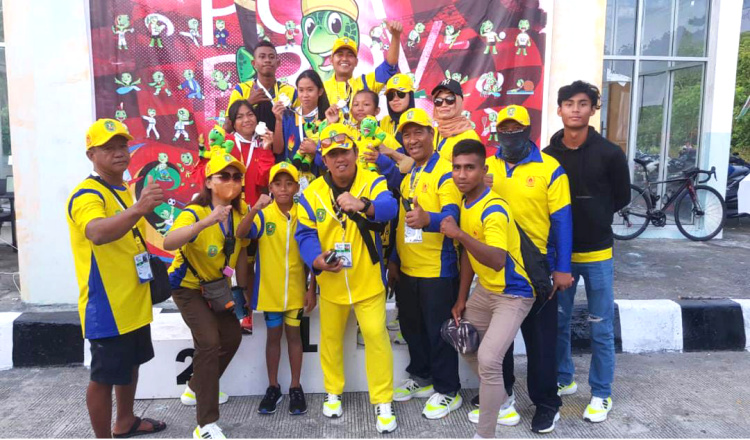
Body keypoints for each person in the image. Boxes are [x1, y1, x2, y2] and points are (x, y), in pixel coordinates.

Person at [295, 123, 399, 433]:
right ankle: (333, 392)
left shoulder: (373, 180)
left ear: (355, 152)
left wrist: (363, 204)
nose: (340, 159)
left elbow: (389, 207)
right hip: (332, 282)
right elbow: (305, 234)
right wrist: (316, 260)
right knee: (330, 340)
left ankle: (383, 401)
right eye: (332, 155)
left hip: (368, 280)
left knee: (376, 337)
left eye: (345, 152)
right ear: (324, 160)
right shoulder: (311, 193)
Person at [66, 119, 166, 438]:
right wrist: (139, 209)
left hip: (133, 298)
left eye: (122, 145)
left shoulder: (123, 189)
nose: (119, 152)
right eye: (108, 148)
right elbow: (96, 232)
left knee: (132, 363)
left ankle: (125, 420)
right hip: (107, 304)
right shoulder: (86, 194)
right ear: (91, 155)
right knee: (104, 376)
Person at [543, 80, 631, 423]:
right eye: (569, 103)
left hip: (597, 254)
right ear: (559, 109)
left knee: (601, 327)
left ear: (593, 109)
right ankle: (564, 378)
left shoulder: (610, 153)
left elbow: (621, 197)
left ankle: (601, 393)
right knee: (558, 323)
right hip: (560, 257)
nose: (576, 109)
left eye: (583, 103)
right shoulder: (547, 156)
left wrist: (594, 212)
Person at [483, 105, 573, 433]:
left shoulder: (550, 169)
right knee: (500, 341)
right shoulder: (487, 166)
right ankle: (502, 395)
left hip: (537, 270)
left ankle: (547, 404)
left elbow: (562, 221)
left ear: (528, 131)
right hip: (499, 269)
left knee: (541, 343)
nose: (509, 135)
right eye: (504, 130)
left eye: (515, 129)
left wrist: (562, 268)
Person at [441, 139, 534, 439]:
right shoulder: (466, 202)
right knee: (461, 340)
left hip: (513, 292)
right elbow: (468, 256)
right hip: (485, 290)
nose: (461, 174)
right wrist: (461, 298)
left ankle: (484, 434)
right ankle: (503, 402)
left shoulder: (494, 209)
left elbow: (496, 259)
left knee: (489, 360)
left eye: (469, 168)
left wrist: (458, 234)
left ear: (484, 171)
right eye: (457, 167)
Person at [164, 150, 250, 439]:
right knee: (209, 342)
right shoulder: (194, 212)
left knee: (233, 336)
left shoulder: (240, 213)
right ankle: (206, 425)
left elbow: (240, 253)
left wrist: (242, 291)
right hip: (187, 288)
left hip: (217, 288)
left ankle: (195, 387)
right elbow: (168, 242)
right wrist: (205, 222)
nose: (231, 181)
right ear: (209, 182)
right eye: (223, 176)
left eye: (236, 177)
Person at [387, 108, 463, 419]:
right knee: (412, 328)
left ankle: (448, 390)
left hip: (437, 270)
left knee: (439, 333)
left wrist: (428, 219)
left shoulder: (446, 172)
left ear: (432, 134)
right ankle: (422, 377)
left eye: (418, 132)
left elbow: (452, 217)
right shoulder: (410, 173)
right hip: (408, 269)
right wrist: (394, 260)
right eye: (406, 135)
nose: (412, 140)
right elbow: (402, 223)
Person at [239, 162, 317, 416]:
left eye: (289, 183)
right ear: (270, 188)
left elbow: (312, 255)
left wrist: (311, 289)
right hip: (270, 292)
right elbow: (241, 233)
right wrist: (254, 209)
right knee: (273, 338)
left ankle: (295, 386)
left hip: (296, 291)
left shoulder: (303, 214)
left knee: (294, 337)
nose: (283, 188)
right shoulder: (263, 215)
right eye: (277, 183)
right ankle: (273, 387)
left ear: (296, 187)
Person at [225, 99, 276, 333]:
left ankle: (250, 309)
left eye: (250, 115)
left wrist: (266, 149)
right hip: (230, 209)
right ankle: (232, 308)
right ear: (233, 123)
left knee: (251, 260)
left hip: (255, 209)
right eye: (240, 116)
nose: (246, 120)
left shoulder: (260, 144)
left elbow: (264, 179)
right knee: (230, 260)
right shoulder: (227, 143)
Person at [323, 21, 402, 122]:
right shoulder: (322, 90)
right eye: (340, 54)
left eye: (350, 55)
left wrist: (395, 36)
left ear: (356, 62)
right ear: (331, 60)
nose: (345, 59)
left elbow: (389, 67)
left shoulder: (366, 83)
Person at [272, 69, 330, 188]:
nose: (305, 95)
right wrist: (278, 120)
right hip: (291, 183)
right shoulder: (289, 116)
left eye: (310, 90)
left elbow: (333, 156)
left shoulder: (327, 119)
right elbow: (278, 150)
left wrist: (315, 150)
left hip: (319, 182)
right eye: (301, 90)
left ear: (320, 91)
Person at [226, 40, 297, 137]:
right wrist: (248, 103)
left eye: (271, 57)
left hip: (283, 146)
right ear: (254, 63)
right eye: (262, 57)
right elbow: (227, 128)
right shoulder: (241, 90)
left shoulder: (291, 92)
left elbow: (301, 126)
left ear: (278, 63)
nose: (267, 60)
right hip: (250, 146)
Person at [430, 79, 480, 162]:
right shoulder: (431, 134)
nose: (443, 105)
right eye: (438, 101)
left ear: (459, 102)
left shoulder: (469, 137)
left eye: (450, 100)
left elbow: (470, 169)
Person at [380, 73, 416, 146]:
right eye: (390, 95)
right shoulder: (382, 123)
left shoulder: (419, 121)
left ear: (410, 95)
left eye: (400, 94)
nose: (395, 99)